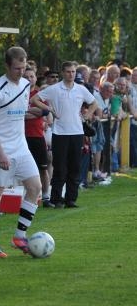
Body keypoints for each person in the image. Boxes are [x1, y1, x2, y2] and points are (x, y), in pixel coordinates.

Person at [0, 46, 42, 258]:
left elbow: (18, 114)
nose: (21, 72)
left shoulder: (26, 84)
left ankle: (19, 236)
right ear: (7, 65)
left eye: (24, 68)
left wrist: (41, 111)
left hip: (21, 147)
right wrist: (0, 153)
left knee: (35, 187)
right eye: (17, 68)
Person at [31, 61, 98, 208]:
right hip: (59, 133)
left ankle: (71, 199)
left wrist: (87, 116)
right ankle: (56, 199)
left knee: (75, 167)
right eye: (68, 72)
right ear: (63, 73)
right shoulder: (54, 89)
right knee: (60, 167)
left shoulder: (80, 89)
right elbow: (34, 99)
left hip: (77, 132)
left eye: (73, 72)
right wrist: (49, 109)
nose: (71, 74)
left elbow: (94, 103)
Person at [23, 67, 52, 207]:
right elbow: (17, 114)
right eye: (26, 76)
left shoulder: (40, 95)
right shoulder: (19, 93)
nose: (29, 79)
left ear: (35, 78)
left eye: (31, 76)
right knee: (24, 170)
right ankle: (26, 197)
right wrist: (32, 112)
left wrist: (26, 112)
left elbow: (44, 112)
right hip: (22, 137)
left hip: (37, 136)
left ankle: (46, 196)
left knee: (43, 168)